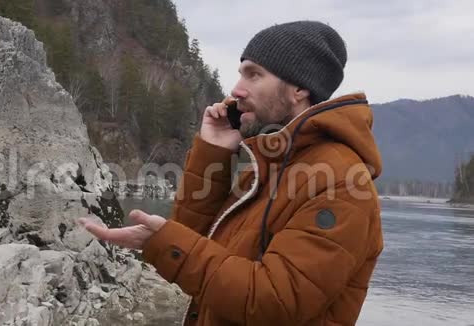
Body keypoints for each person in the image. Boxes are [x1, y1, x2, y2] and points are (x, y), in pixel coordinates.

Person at [79, 20, 383, 325]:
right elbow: (194, 242)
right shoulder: (272, 167)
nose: (236, 89)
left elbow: (273, 302)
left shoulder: (340, 182)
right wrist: (213, 150)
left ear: (299, 88)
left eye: (254, 75)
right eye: (241, 74)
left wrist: (166, 241)